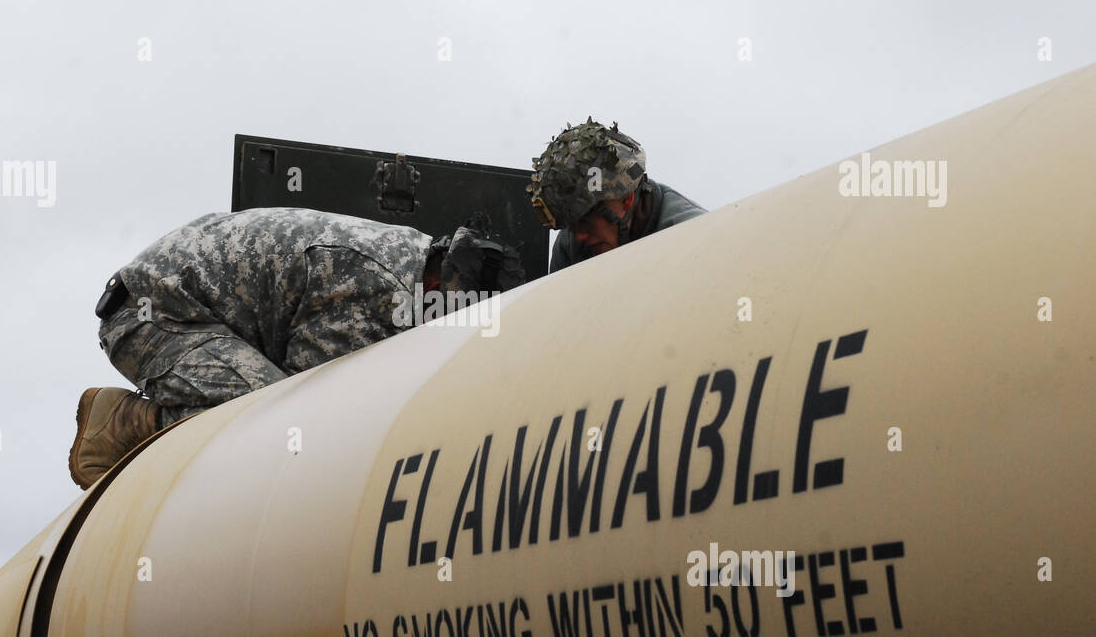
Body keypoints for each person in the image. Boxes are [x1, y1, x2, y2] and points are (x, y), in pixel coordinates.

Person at [67, 207, 522, 489]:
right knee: (275, 417)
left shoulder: (416, 261)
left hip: (192, 309)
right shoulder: (381, 291)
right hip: (152, 317)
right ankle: (127, 422)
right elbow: (314, 402)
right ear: (443, 288)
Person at [525, 118, 706, 271]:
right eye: (572, 226)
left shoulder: (691, 238)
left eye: (586, 221)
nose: (579, 236)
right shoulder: (570, 245)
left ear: (626, 199)